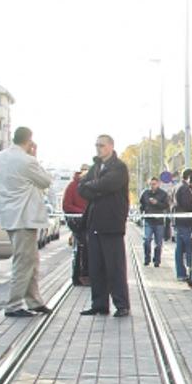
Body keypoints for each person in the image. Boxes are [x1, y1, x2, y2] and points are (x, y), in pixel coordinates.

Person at [0, 127, 52, 318]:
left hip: (8, 215)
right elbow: (46, 181)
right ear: (29, 141)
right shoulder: (27, 160)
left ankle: (34, 301)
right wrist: (34, 155)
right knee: (23, 261)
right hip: (24, 216)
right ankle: (14, 304)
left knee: (29, 259)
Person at [79, 134, 130, 317]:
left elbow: (108, 184)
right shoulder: (95, 167)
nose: (98, 148)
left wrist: (95, 187)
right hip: (94, 221)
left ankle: (121, 304)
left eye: (101, 145)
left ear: (110, 146)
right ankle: (99, 304)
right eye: (96, 145)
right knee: (96, 266)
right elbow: (81, 187)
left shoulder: (119, 167)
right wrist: (96, 188)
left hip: (112, 223)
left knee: (115, 266)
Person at [62, 167, 90, 286]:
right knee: (83, 246)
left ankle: (87, 274)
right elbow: (66, 205)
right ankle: (82, 275)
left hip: (89, 221)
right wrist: (83, 211)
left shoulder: (91, 186)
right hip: (78, 222)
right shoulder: (72, 186)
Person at [139, 177, 170, 267]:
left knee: (158, 243)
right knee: (147, 240)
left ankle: (157, 260)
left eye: (154, 184)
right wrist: (142, 213)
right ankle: (147, 258)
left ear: (158, 184)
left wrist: (156, 203)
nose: (152, 186)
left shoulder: (163, 194)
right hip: (148, 221)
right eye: (151, 184)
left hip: (159, 222)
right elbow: (142, 204)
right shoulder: (145, 193)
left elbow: (166, 206)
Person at [173, 168, 192, 284]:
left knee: (179, 248)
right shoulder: (185, 189)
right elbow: (187, 205)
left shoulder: (178, 186)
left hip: (179, 221)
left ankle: (180, 273)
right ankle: (190, 273)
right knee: (188, 248)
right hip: (186, 222)